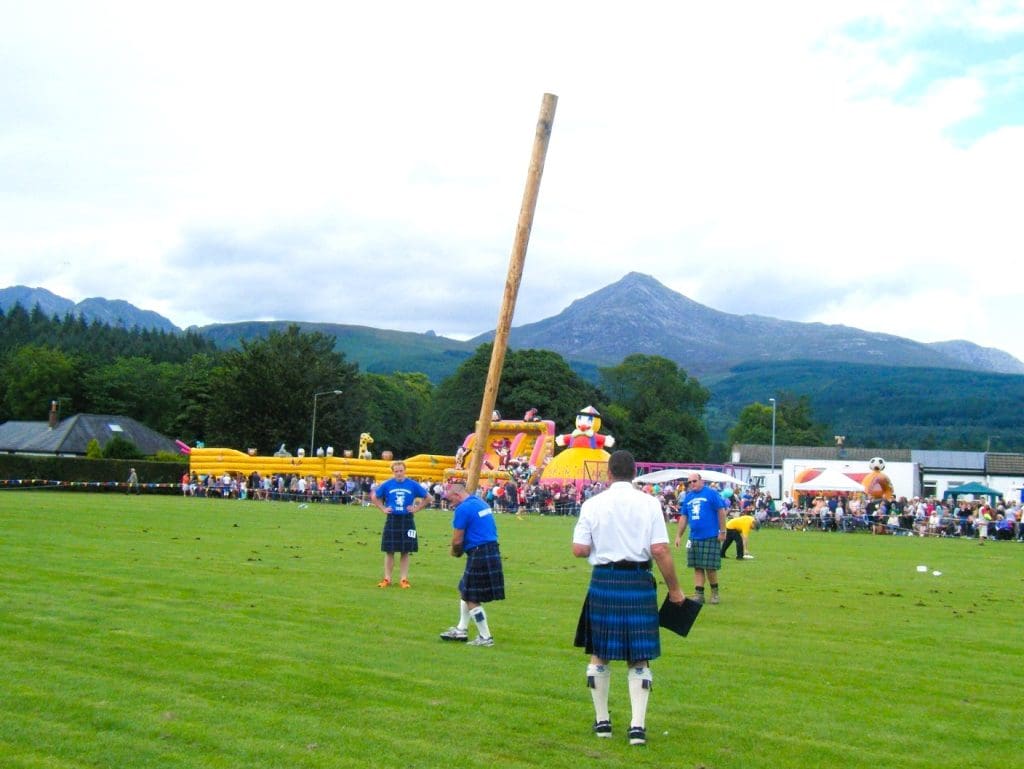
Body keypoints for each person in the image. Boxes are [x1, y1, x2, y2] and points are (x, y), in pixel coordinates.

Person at [572, 450, 685, 747]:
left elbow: (579, 549)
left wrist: (602, 542)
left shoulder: (592, 504)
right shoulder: (649, 503)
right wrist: (674, 589)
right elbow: (660, 549)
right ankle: (637, 727)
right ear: (634, 473)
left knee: (600, 652)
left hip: (604, 581)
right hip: (637, 580)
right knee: (639, 655)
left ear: (608, 473)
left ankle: (602, 723)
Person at [438, 483, 505, 646]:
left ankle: (485, 637)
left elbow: (457, 539)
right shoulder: (480, 502)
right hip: (491, 549)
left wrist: (455, 551)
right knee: (465, 589)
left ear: (457, 495)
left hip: (479, 552)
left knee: (472, 597)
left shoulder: (462, 509)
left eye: (450, 499)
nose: (449, 503)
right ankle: (461, 630)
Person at [674, 472, 728, 604]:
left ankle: (714, 593)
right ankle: (699, 594)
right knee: (697, 567)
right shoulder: (688, 497)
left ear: (701, 481)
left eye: (694, 481)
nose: (692, 484)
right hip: (694, 537)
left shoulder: (711, 493)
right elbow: (684, 517)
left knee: (710, 567)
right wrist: (678, 535)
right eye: (689, 482)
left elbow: (721, 511)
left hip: (710, 536)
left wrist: (723, 531)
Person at [372, 461, 429, 588]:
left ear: (405, 470)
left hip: (407, 519)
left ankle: (403, 579)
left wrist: (416, 508)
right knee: (389, 550)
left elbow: (429, 498)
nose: (398, 473)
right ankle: (387, 579)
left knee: (405, 550)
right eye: (396, 471)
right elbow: (375, 497)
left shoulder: (413, 484)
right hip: (392, 519)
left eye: (401, 470)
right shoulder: (387, 484)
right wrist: (382, 509)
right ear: (393, 472)